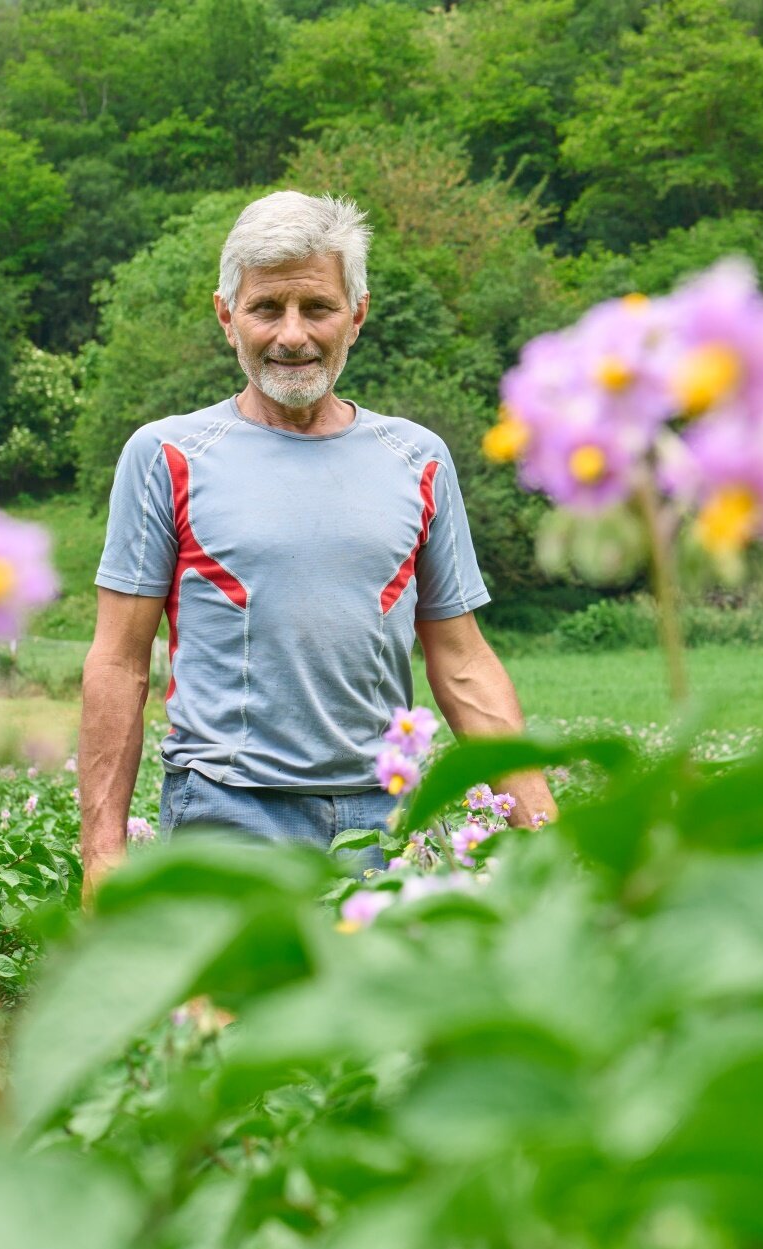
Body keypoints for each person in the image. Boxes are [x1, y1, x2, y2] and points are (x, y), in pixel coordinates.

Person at [77, 190, 557, 901]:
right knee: (233, 1014)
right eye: (266, 308)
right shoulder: (167, 454)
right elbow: (119, 662)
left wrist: (542, 827)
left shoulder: (417, 459)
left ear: (356, 315)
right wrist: (102, 854)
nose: (293, 335)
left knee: (373, 1014)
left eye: (318, 308)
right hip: (226, 809)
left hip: (380, 817)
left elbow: (460, 662)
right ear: (226, 316)